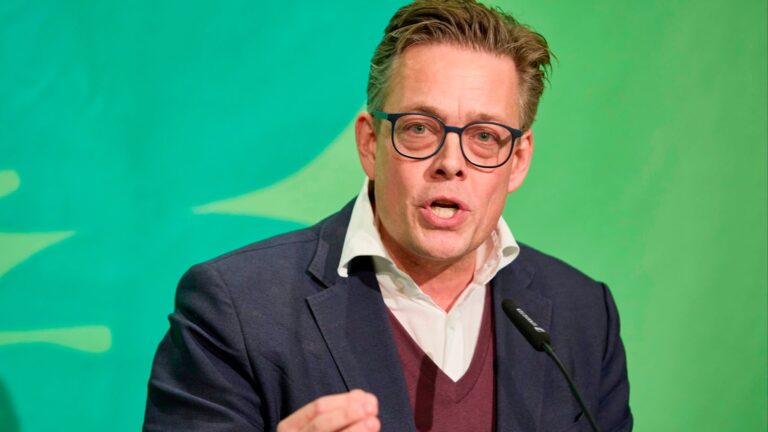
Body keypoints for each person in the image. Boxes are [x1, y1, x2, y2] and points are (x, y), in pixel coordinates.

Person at [143, 1, 633, 431]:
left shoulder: (583, 315)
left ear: (519, 159)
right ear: (370, 143)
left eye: (485, 136)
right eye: (420, 128)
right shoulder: (237, 308)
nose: (451, 162)